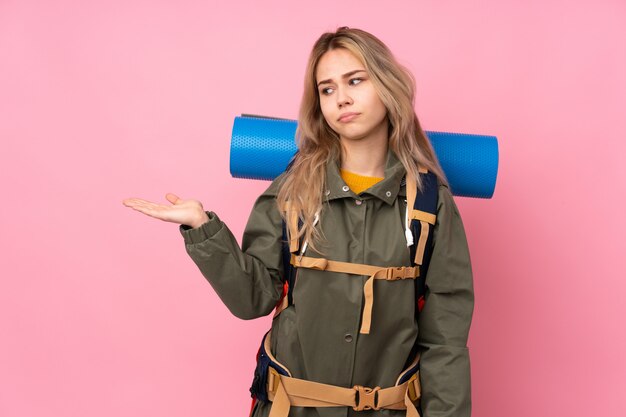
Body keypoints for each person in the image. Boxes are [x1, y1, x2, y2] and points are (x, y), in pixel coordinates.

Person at [123, 27, 474, 417]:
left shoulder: (430, 205)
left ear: (386, 85)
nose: (342, 98)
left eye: (355, 81)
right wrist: (203, 229)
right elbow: (252, 298)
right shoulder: (293, 191)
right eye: (327, 89)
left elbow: (446, 343)